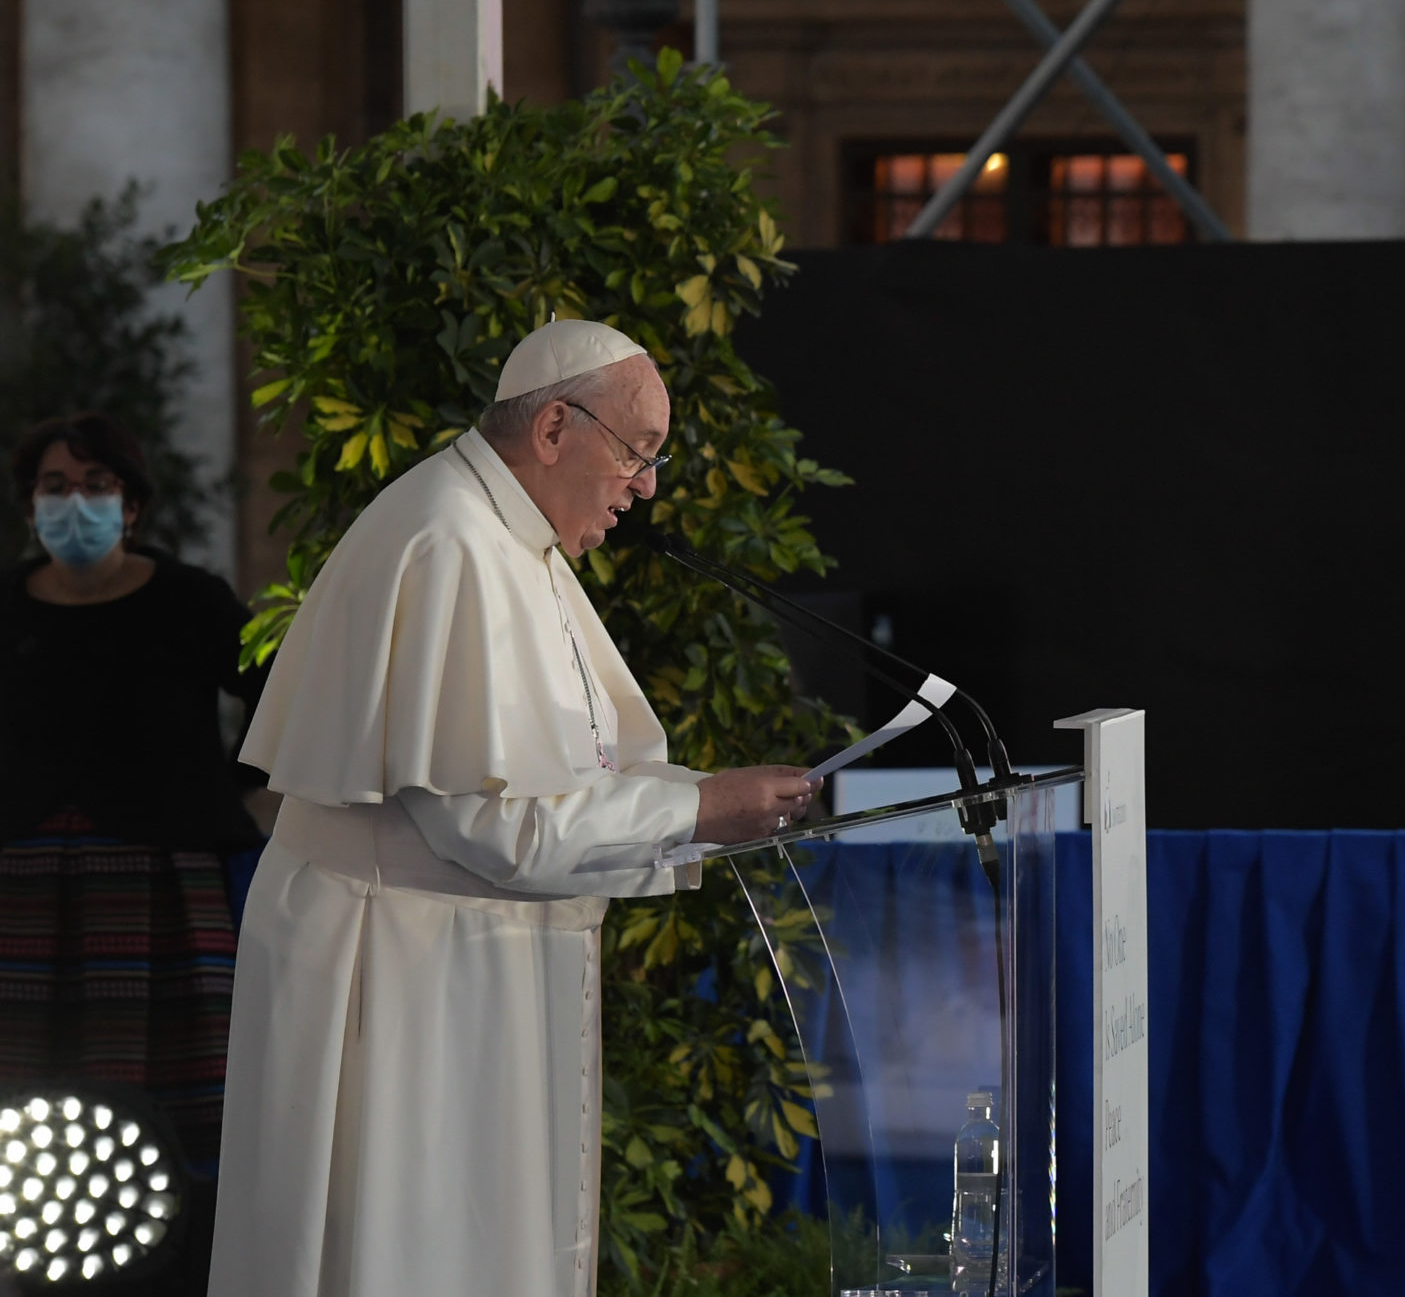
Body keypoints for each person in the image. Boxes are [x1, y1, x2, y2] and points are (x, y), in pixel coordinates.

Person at [206, 320, 818, 1297]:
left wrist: (695, 803)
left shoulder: (508, 540)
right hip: (401, 972)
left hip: (464, 962)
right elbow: (490, 825)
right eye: (636, 453)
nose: (644, 487)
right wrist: (698, 811)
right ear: (553, 430)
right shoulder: (450, 542)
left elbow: (567, 776)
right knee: (411, 1257)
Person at [0, 413, 268, 1171]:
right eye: (55, 486)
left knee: (174, 1098)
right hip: (20, 879)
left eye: (96, 484)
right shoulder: (6, 603)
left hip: (163, 878)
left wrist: (227, 786)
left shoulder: (190, 600)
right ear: (30, 507)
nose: (75, 502)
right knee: (22, 1082)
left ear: (131, 506)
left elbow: (277, 696)